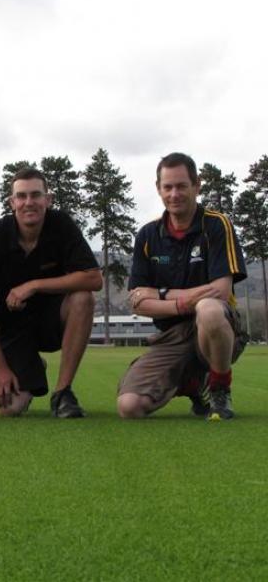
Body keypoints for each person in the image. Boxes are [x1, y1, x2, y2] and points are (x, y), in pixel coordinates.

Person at [118, 152, 247, 421]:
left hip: (215, 329)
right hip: (171, 337)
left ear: (196, 185)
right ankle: (191, 382)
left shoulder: (216, 225)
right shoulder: (147, 234)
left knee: (209, 309)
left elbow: (221, 291)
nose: (174, 194)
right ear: (158, 189)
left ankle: (219, 387)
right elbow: (138, 301)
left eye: (181, 186)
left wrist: (160, 294)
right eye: (168, 187)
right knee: (129, 407)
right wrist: (180, 302)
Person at [0, 167, 102, 418]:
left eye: (36, 195)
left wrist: (34, 285)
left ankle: (62, 393)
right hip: (11, 328)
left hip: (53, 322)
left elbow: (94, 279)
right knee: (9, 409)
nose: (28, 202)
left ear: (47, 200)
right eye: (21, 196)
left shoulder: (61, 225)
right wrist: (0, 368)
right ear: (11, 202)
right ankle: (23, 365)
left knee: (83, 298)